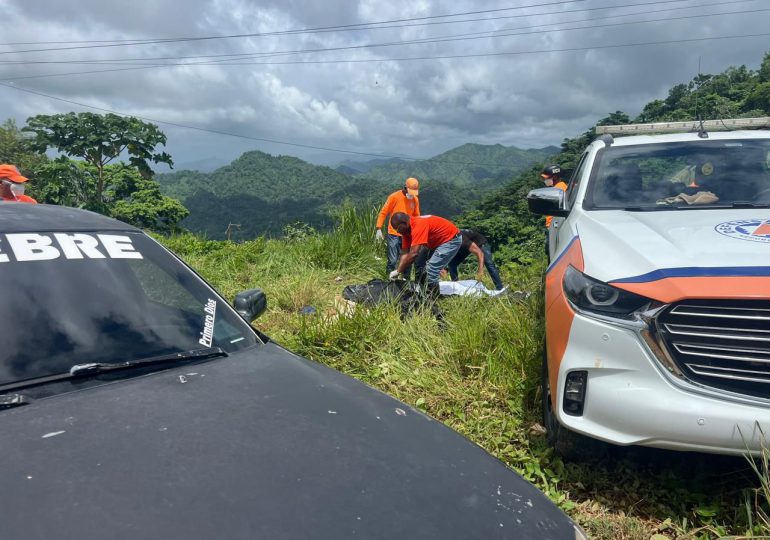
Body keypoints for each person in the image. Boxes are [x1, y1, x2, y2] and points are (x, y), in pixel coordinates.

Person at [388, 213, 462, 297]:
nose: (397, 232)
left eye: (398, 228)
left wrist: (398, 271)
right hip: (434, 242)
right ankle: (421, 289)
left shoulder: (418, 225)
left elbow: (413, 254)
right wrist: (398, 270)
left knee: (431, 268)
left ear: (405, 223)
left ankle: (433, 296)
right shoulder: (406, 232)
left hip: (450, 240)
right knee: (419, 264)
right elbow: (405, 252)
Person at [375, 177, 420, 275]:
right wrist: (379, 228)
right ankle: (388, 279)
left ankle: (405, 280)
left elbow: (417, 216)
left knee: (407, 259)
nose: (412, 195)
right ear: (405, 187)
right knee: (393, 260)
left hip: (408, 234)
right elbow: (383, 212)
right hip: (394, 233)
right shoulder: (394, 197)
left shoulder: (415, 199)